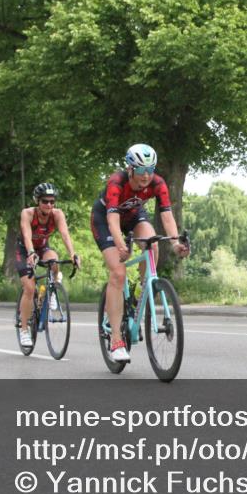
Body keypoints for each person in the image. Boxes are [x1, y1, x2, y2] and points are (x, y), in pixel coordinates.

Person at [92, 144, 189, 362]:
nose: (146, 175)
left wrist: (175, 244)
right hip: (106, 220)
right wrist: (120, 244)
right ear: (130, 168)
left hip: (134, 216)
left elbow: (166, 216)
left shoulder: (158, 183)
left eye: (150, 169)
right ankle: (116, 339)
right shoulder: (117, 182)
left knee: (152, 245)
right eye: (141, 170)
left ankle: (139, 294)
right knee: (118, 273)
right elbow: (112, 219)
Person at [16, 183, 81, 347]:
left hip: (43, 247)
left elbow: (65, 234)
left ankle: (52, 291)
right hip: (24, 249)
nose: (49, 205)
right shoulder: (28, 213)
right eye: (45, 201)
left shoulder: (57, 214)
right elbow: (26, 234)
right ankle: (24, 330)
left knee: (54, 259)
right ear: (37, 201)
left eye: (52, 201)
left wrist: (73, 254)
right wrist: (31, 252)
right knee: (30, 289)